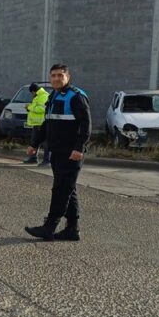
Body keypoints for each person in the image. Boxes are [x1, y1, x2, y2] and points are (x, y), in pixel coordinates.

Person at [24, 64, 91, 242]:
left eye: (60, 75)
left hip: (71, 153)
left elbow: (86, 125)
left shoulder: (76, 96)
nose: (56, 78)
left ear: (68, 77)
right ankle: (72, 229)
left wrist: (79, 148)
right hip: (57, 151)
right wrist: (35, 144)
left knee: (61, 189)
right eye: (53, 75)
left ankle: (49, 227)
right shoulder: (53, 96)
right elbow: (47, 123)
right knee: (69, 189)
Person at [23, 82, 50, 165]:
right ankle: (33, 158)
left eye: (31, 92)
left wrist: (29, 107)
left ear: (33, 91)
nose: (31, 94)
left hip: (42, 123)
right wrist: (30, 108)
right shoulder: (38, 96)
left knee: (45, 142)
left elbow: (42, 109)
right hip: (37, 123)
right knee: (34, 141)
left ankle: (46, 160)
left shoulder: (43, 96)